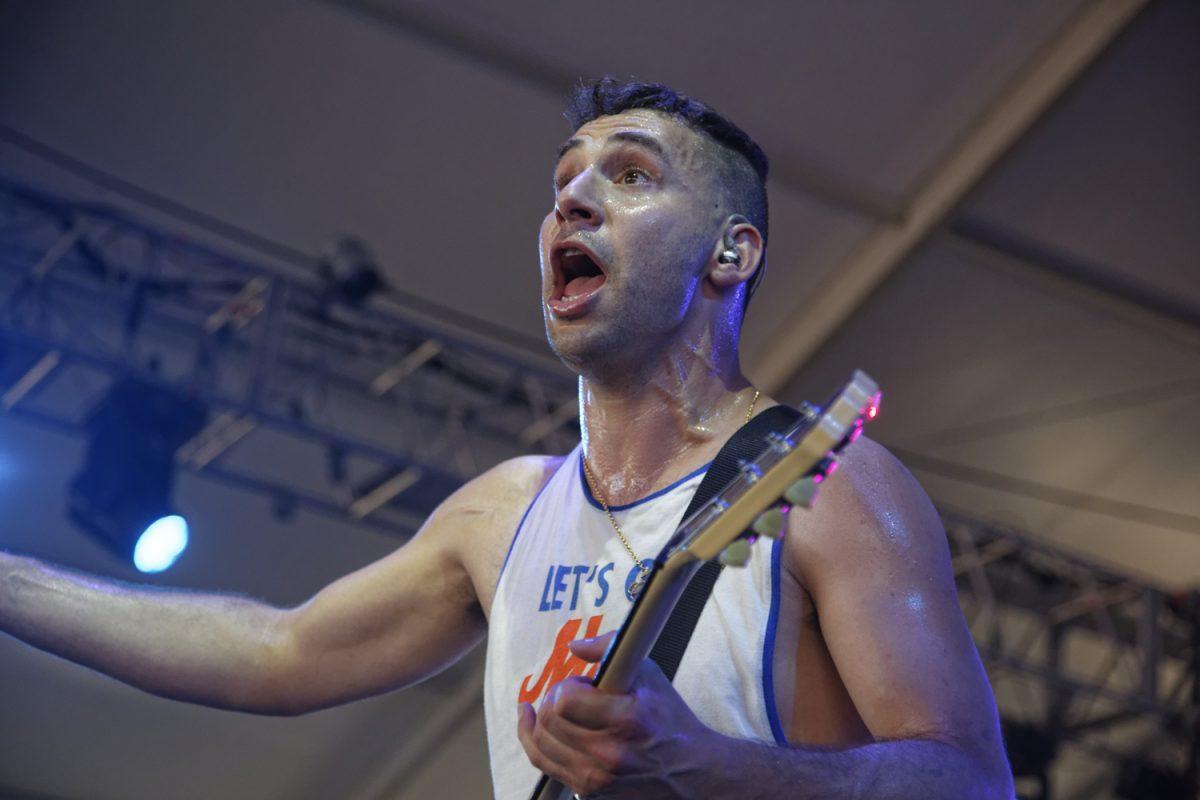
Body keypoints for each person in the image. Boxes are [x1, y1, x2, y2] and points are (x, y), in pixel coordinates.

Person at [0, 78, 1014, 799]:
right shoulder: (502, 513)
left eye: (629, 176)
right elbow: (278, 651)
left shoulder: (831, 480)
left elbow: (972, 781)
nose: (570, 198)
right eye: (566, 179)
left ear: (729, 250)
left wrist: (710, 768)